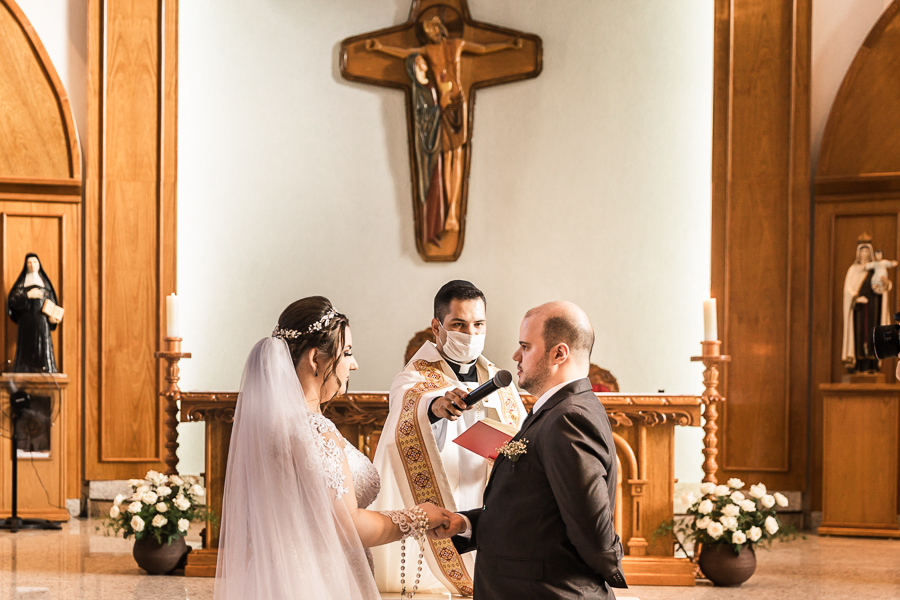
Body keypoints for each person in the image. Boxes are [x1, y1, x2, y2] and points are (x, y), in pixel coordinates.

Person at [214, 296, 452, 599]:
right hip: (318, 583)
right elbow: (347, 526)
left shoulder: (269, 427)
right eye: (347, 352)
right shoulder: (314, 430)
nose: (354, 363)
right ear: (316, 359)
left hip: (274, 578)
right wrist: (420, 517)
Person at [434, 301, 627, 599]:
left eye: (525, 346)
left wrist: (609, 567)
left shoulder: (569, 418)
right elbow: (534, 510)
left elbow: (592, 528)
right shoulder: (554, 411)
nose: (515, 356)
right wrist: (467, 522)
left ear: (559, 353)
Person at [371, 280, 527, 596]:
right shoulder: (413, 377)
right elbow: (410, 408)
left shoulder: (502, 383)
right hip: (441, 507)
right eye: (458, 324)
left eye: (478, 324)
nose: (470, 334)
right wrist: (435, 408)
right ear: (437, 326)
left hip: (487, 511)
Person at [842, 237, 890, 372]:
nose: (865, 254)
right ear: (859, 253)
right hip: (859, 309)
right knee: (860, 334)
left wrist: (885, 285)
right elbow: (848, 289)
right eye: (862, 251)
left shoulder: (875, 268)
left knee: (873, 334)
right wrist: (856, 298)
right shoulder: (853, 270)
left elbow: (883, 285)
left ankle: (872, 366)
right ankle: (858, 366)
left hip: (874, 307)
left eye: (867, 251)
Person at [7, 254, 60, 373]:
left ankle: (46, 368)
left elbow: (51, 301)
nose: (32, 265)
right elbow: (13, 300)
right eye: (29, 263)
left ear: (39, 264)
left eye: (35, 262)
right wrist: (27, 296)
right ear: (26, 265)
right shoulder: (22, 283)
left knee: (44, 345)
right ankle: (24, 368)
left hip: (42, 322)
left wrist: (52, 316)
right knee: (26, 347)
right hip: (26, 321)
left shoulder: (44, 284)